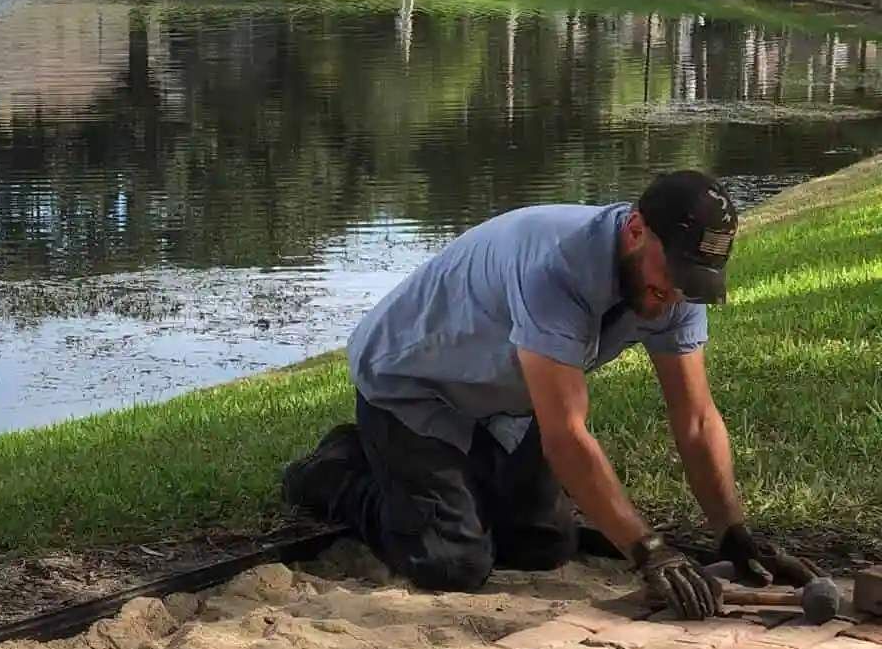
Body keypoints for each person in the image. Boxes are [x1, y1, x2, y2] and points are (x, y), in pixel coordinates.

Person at [282, 169, 814, 617]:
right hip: (413, 387)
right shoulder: (556, 267)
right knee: (453, 563)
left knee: (544, 545)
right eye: (671, 275)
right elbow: (566, 433)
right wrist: (649, 551)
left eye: (691, 282)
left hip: (504, 398)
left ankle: (444, 475)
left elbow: (696, 420)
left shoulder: (676, 285)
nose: (675, 295)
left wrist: (734, 534)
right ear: (635, 229)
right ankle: (336, 469)